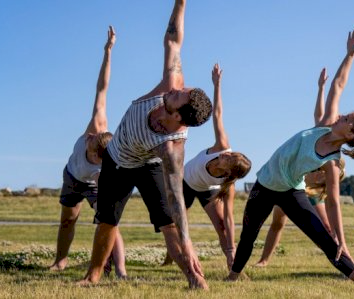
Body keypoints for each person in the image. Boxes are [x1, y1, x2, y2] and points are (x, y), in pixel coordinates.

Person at [78, 0, 212, 289]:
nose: (176, 89)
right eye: (181, 89)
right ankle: (93, 276)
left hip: (149, 165)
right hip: (117, 160)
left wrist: (187, 243)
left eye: (179, 96)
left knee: (170, 224)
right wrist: (181, 2)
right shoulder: (171, 84)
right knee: (107, 220)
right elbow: (173, 41)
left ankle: (194, 278)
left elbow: (177, 198)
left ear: (179, 118)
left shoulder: (171, 149)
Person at [226, 28, 354, 287]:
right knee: (249, 235)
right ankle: (233, 276)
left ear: (350, 135)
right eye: (346, 114)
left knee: (325, 239)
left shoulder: (332, 160)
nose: (342, 116)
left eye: (347, 119)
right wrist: (349, 55)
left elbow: (334, 202)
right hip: (266, 184)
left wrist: (341, 237)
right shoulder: (326, 124)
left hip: (292, 192)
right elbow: (338, 85)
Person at [48, 26, 126, 278]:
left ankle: (120, 270)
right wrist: (108, 51)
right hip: (72, 177)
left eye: (92, 145)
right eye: (91, 140)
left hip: (96, 186)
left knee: (110, 223)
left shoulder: (111, 164)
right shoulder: (97, 126)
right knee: (67, 220)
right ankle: (61, 260)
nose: (89, 138)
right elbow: (102, 87)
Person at [161, 63, 252, 269]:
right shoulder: (223, 146)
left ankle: (232, 262)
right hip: (185, 181)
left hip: (206, 190)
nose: (225, 155)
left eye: (228, 159)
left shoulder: (226, 185)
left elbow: (229, 220)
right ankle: (172, 254)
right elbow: (218, 115)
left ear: (228, 171)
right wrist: (217, 85)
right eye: (228, 155)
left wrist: (231, 251)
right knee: (175, 222)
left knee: (221, 226)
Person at [255, 68, 345, 267]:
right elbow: (318, 114)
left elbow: (333, 198)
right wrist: (320, 88)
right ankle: (264, 260)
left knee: (327, 229)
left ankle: (341, 258)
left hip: (310, 192)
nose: (338, 117)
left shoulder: (331, 156)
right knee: (278, 222)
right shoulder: (321, 135)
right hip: (294, 186)